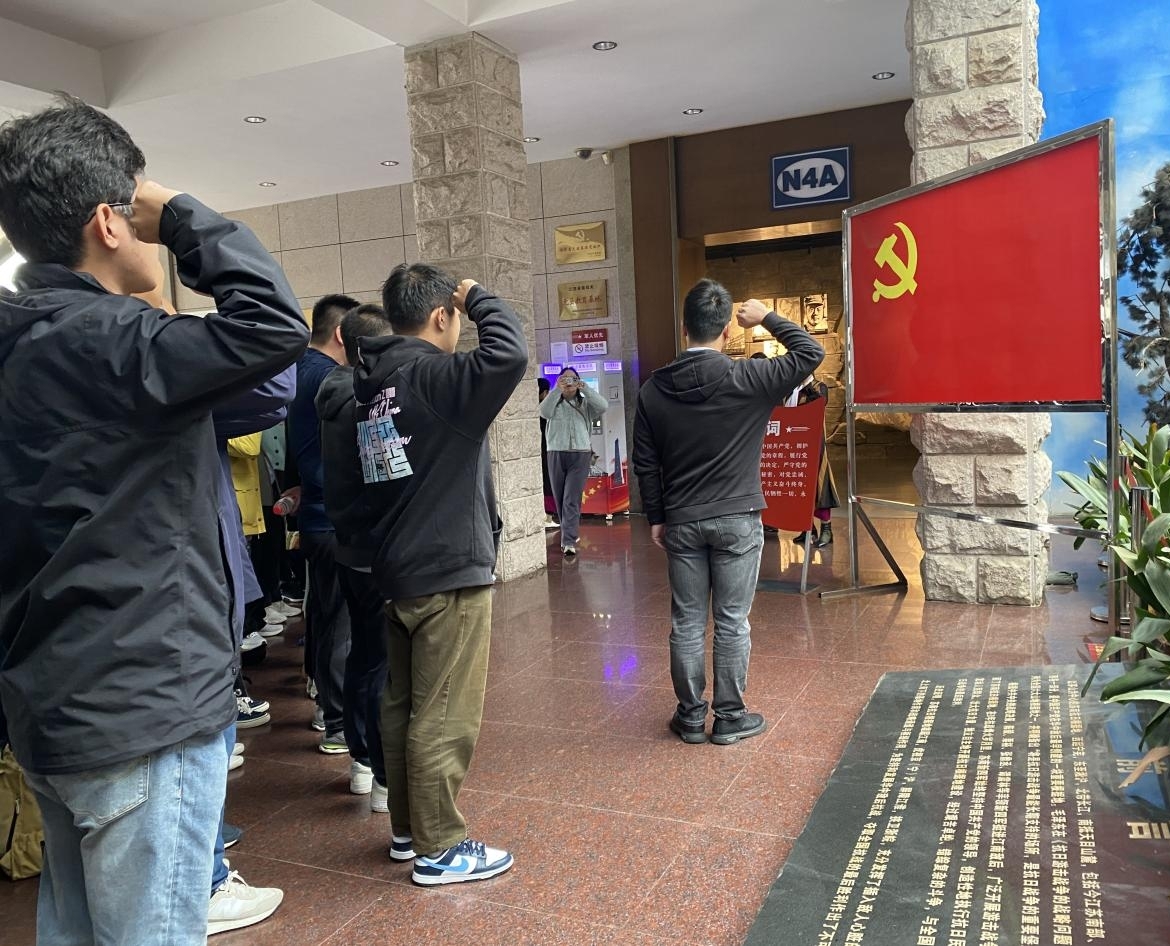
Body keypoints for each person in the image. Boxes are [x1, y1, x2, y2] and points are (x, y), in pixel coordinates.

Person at [0, 97, 308, 944]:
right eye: (133, 211)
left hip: (50, 700)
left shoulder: (25, 342)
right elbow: (274, 325)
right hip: (144, 703)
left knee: (76, 929)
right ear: (109, 221)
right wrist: (179, 213)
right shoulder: (118, 342)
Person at [353, 263, 526, 885]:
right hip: (447, 568)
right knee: (444, 712)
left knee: (402, 706)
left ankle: (408, 829)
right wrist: (478, 295)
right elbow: (509, 354)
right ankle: (441, 847)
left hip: (399, 566)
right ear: (442, 315)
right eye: (456, 314)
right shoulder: (435, 376)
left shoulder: (376, 384)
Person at [633, 280, 823, 746]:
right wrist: (766, 318)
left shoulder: (653, 390)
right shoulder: (748, 378)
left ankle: (690, 717)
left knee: (687, 621)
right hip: (738, 518)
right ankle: (730, 717)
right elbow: (810, 353)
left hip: (681, 518)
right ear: (726, 332)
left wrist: (657, 516)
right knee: (732, 621)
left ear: (684, 328)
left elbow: (645, 462)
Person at [316, 303, 395, 804]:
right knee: (381, 663)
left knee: (363, 655)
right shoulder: (368, 402)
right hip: (377, 548)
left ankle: (361, 759)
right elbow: (387, 475)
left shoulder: (332, 392)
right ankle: (381, 773)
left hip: (347, 543)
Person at [286, 293, 359, 754]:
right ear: (341, 334)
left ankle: (324, 701)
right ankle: (336, 720)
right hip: (334, 517)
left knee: (325, 612)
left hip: (316, 514)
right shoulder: (332, 378)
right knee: (341, 623)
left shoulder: (298, 371)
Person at [539, 366, 610, 556]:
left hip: (580, 454)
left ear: (578, 381)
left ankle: (568, 540)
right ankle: (570, 532)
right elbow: (543, 412)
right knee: (561, 497)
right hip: (555, 453)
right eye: (564, 378)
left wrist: (585, 388)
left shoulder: (585, 404)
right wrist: (557, 389)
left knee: (571, 497)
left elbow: (603, 406)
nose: (568, 382)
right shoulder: (554, 402)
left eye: (572, 379)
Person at [788, 376, 840, 548]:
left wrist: (809, 391)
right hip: (795, 444)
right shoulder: (793, 390)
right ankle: (807, 529)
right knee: (799, 487)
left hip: (814, 443)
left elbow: (819, 405)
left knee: (820, 484)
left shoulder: (819, 387)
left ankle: (827, 529)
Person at [537, 377, 558, 529]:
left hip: (538, 453)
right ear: (544, 392)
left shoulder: (530, 410)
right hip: (547, 451)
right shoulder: (546, 410)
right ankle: (548, 517)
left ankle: (545, 516)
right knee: (548, 482)